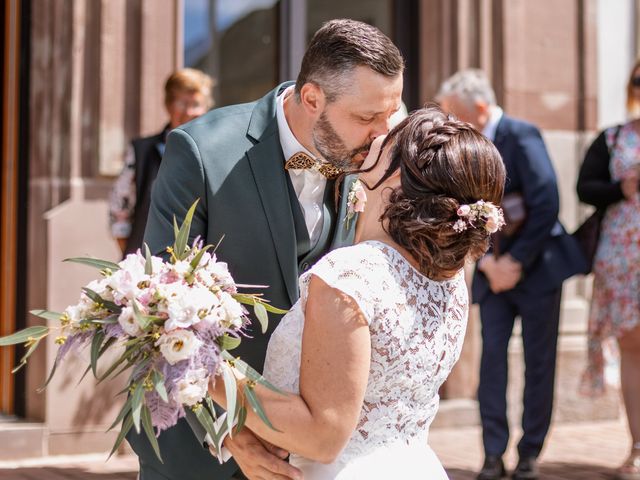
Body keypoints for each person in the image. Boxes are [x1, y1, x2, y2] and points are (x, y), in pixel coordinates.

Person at [137, 19, 405, 480]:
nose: (384, 135)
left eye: (391, 114)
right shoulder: (201, 153)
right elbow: (157, 316)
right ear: (312, 99)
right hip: (201, 453)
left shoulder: (369, 157)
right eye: (367, 118)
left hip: (312, 453)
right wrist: (232, 430)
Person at [209, 106, 507, 479]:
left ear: (396, 176)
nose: (378, 131)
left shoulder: (351, 275)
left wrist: (206, 371)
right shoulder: (448, 281)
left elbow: (323, 437)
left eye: (391, 132)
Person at [436, 69, 585, 480]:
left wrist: (514, 262)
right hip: (490, 270)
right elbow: (456, 210)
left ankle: (530, 454)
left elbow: (546, 202)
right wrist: (485, 262)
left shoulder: (521, 135)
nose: (451, 125)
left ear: (481, 109)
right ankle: (491, 455)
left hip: (537, 270)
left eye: (457, 115)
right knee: (491, 365)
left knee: (540, 364)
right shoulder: (462, 148)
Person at [577, 59, 640, 480]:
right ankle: (637, 445)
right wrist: (623, 188)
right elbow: (585, 187)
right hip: (622, 262)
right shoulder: (614, 136)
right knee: (633, 353)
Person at [109, 68, 214, 257]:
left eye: (196, 104)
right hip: (149, 266)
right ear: (168, 105)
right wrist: (134, 257)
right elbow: (119, 210)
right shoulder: (142, 151)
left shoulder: (216, 152)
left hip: (202, 266)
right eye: (182, 103)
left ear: (206, 108)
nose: (189, 112)